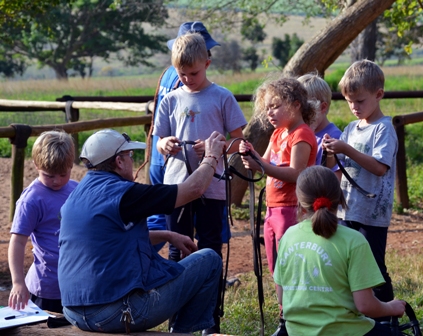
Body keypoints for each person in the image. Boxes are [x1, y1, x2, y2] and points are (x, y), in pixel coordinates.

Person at [58, 129, 226, 334]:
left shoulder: (76, 195)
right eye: (129, 156)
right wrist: (212, 156)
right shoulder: (125, 194)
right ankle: (182, 333)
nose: (132, 161)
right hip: (114, 313)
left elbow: (107, 239)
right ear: (119, 161)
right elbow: (193, 189)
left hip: (73, 312)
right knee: (209, 259)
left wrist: (167, 235)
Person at [153, 32, 247, 334]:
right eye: (181, 74)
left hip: (213, 186)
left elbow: (239, 142)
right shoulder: (170, 99)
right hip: (177, 186)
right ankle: (177, 320)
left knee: (210, 249)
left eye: (193, 73)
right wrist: (165, 145)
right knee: (177, 249)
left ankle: (210, 321)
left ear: (207, 63)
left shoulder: (222, 97)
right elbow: (158, 141)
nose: (188, 79)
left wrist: (214, 149)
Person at [274, 165, 405, 335]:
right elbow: (365, 306)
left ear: (300, 202)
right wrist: (390, 307)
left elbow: (280, 297)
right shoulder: (354, 240)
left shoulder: (288, 236)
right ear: (340, 197)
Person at [239, 77, 317, 336]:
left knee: (292, 264)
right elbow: (269, 166)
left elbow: (296, 173)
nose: (269, 112)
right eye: (267, 107)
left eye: (275, 106)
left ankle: (299, 317)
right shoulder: (277, 133)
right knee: (276, 266)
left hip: (292, 208)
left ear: (295, 105)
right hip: (272, 209)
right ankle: (285, 318)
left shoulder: (302, 134)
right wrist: (253, 157)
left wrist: (261, 165)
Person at [323, 60, 398, 318]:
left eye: (360, 101)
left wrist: (345, 149)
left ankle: (388, 315)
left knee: (373, 268)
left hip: (372, 215)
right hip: (348, 210)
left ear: (379, 95)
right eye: (349, 101)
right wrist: (331, 150)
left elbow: (379, 167)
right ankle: (361, 313)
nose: (354, 107)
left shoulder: (383, 129)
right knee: (348, 264)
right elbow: (336, 163)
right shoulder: (351, 128)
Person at [147, 21, 221, 249]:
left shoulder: (171, 74)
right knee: (171, 225)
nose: (188, 77)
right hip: (175, 164)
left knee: (170, 221)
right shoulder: (186, 79)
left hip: (167, 160)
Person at [8, 130, 77, 313]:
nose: (57, 181)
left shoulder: (76, 190)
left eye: (63, 174)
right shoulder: (31, 200)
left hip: (77, 283)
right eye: (49, 175)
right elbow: (18, 241)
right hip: (47, 287)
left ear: (71, 165)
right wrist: (17, 282)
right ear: (37, 166)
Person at [297, 72, 342, 180]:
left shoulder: (334, 137)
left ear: (322, 107)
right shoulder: (299, 133)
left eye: (306, 110)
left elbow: (337, 178)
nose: (299, 116)